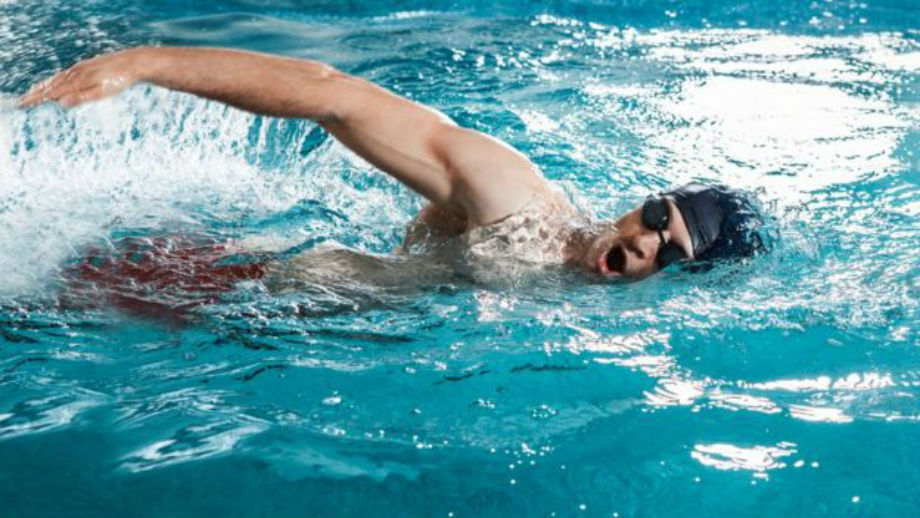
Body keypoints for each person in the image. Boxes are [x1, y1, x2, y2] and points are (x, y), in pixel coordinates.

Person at [20, 46, 767, 290]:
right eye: (658, 221)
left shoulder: (610, 322)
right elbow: (336, 99)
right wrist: (146, 63)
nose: (648, 245)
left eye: (670, 256)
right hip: (263, 289)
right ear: (638, 206)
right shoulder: (509, 196)